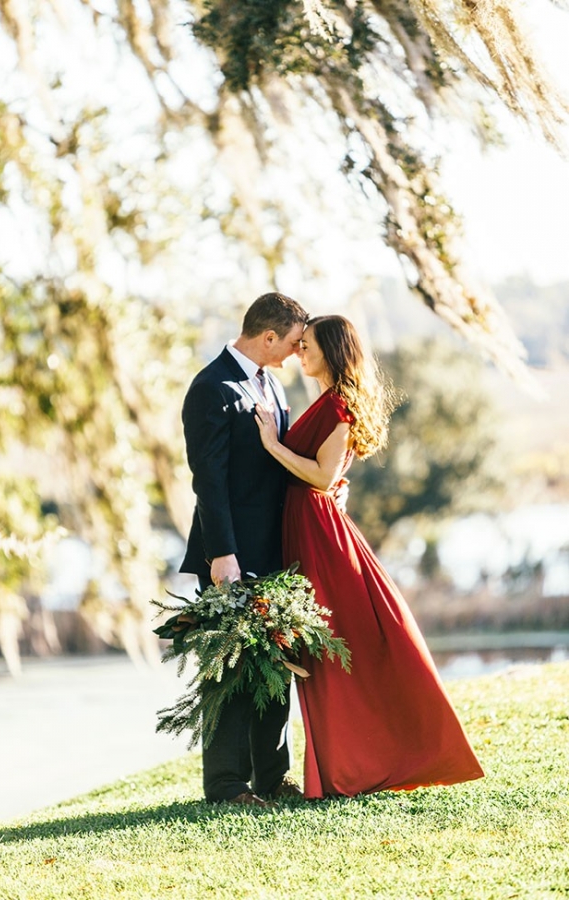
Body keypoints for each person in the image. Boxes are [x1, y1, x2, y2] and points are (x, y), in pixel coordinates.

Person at [255, 315, 485, 799]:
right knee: (323, 648)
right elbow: (331, 475)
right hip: (306, 527)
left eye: (308, 345)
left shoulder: (339, 405)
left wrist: (273, 446)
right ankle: (343, 762)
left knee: (336, 645)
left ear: (333, 351)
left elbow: (320, 476)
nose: (300, 352)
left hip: (319, 535)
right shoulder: (325, 400)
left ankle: (361, 762)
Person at [179, 291, 309, 808]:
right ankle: (227, 786)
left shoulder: (270, 382)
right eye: (294, 343)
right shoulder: (210, 387)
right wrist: (222, 554)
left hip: (274, 550)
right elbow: (208, 481)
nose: (298, 353)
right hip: (228, 555)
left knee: (274, 664)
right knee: (229, 672)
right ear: (268, 336)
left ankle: (272, 778)